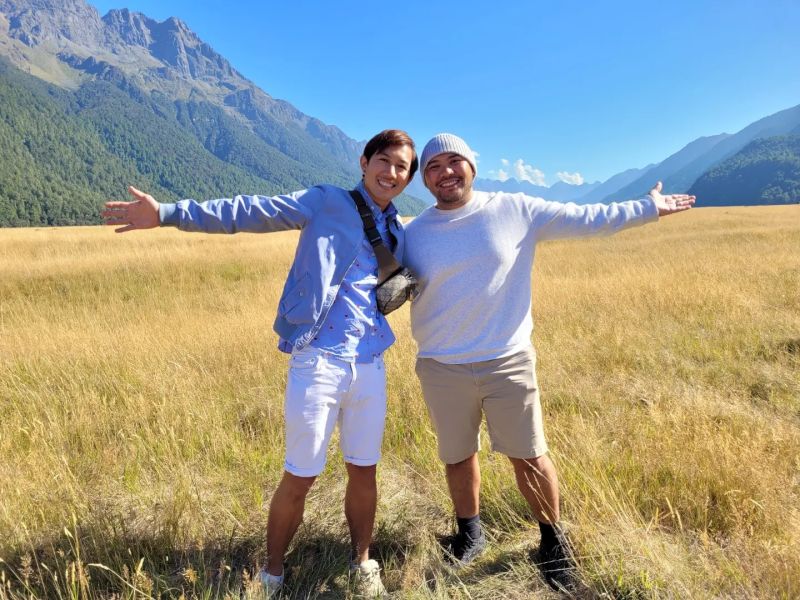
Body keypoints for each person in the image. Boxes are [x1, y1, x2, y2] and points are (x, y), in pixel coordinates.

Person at [102, 129, 419, 598]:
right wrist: (167, 214)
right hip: (319, 360)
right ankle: (271, 574)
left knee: (364, 469)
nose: (391, 173)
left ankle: (362, 562)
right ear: (364, 161)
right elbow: (251, 210)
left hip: (370, 363)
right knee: (302, 473)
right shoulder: (325, 201)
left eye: (402, 168)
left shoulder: (397, 230)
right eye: (385, 161)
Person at [403, 133, 695, 590]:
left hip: (507, 361)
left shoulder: (514, 209)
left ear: (472, 168)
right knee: (458, 458)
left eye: (454, 161)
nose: (446, 172)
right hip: (442, 365)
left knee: (530, 457)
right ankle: (470, 535)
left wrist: (646, 207)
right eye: (434, 165)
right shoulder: (414, 232)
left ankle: (553, 544)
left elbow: (587, 218)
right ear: (424, 178)